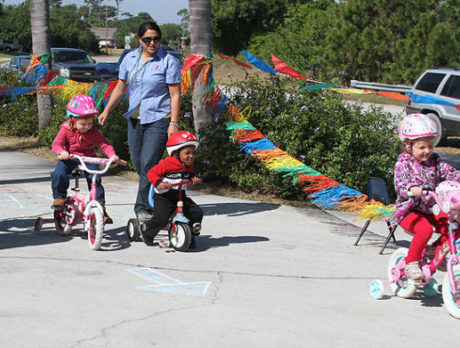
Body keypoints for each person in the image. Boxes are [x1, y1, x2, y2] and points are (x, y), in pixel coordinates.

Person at [97, 21, 181, 223]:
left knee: (148, 164)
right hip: (134, 118)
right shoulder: (130, 58)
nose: (152, 43)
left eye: (156, 39)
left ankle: (142, 207)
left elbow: (175, 94)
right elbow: (120, 87)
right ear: (140, 40)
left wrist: (174, 123)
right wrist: (107, 110)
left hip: (159, 118)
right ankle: (158, 199)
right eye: (147, 39)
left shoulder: (168, 61)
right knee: (139, 163)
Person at [394, 113, 460, 280]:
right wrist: (412, 188)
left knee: (456, 224)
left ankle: (435, 250)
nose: (427, 151)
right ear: (409, 145)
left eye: (430, 146)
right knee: (424, 230)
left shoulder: (435, 160)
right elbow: (400, 184)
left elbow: (450, 172)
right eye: (422, 147)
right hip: (409, 211)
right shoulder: (404, 162)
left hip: (432, 209)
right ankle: (411, 263)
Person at [51, 94, 126, 224]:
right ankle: (59, 197)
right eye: (83, 124)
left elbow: (104, 144)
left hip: (88, 158)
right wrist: (62, 152)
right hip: (70, 157)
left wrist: (112, 155)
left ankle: (100, 207)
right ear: (73, 120)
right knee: (59, 173)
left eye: (90, 123)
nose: (86, 126)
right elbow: (56, 144)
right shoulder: (66, 130)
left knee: (95, 179)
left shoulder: (93, 131)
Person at [142, 131, 203, 247]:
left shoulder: (189, 165)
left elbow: (189, 174)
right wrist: (159, 182)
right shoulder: (167, 163)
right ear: (176, 152)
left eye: (193, 153)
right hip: (164, 196)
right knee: (162, 217)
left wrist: (193, 177)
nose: (191, 156)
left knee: (196, 212)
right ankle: (147, 233)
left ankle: (190, 233)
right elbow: (151, 173)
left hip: (180, 195)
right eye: (187, 153)